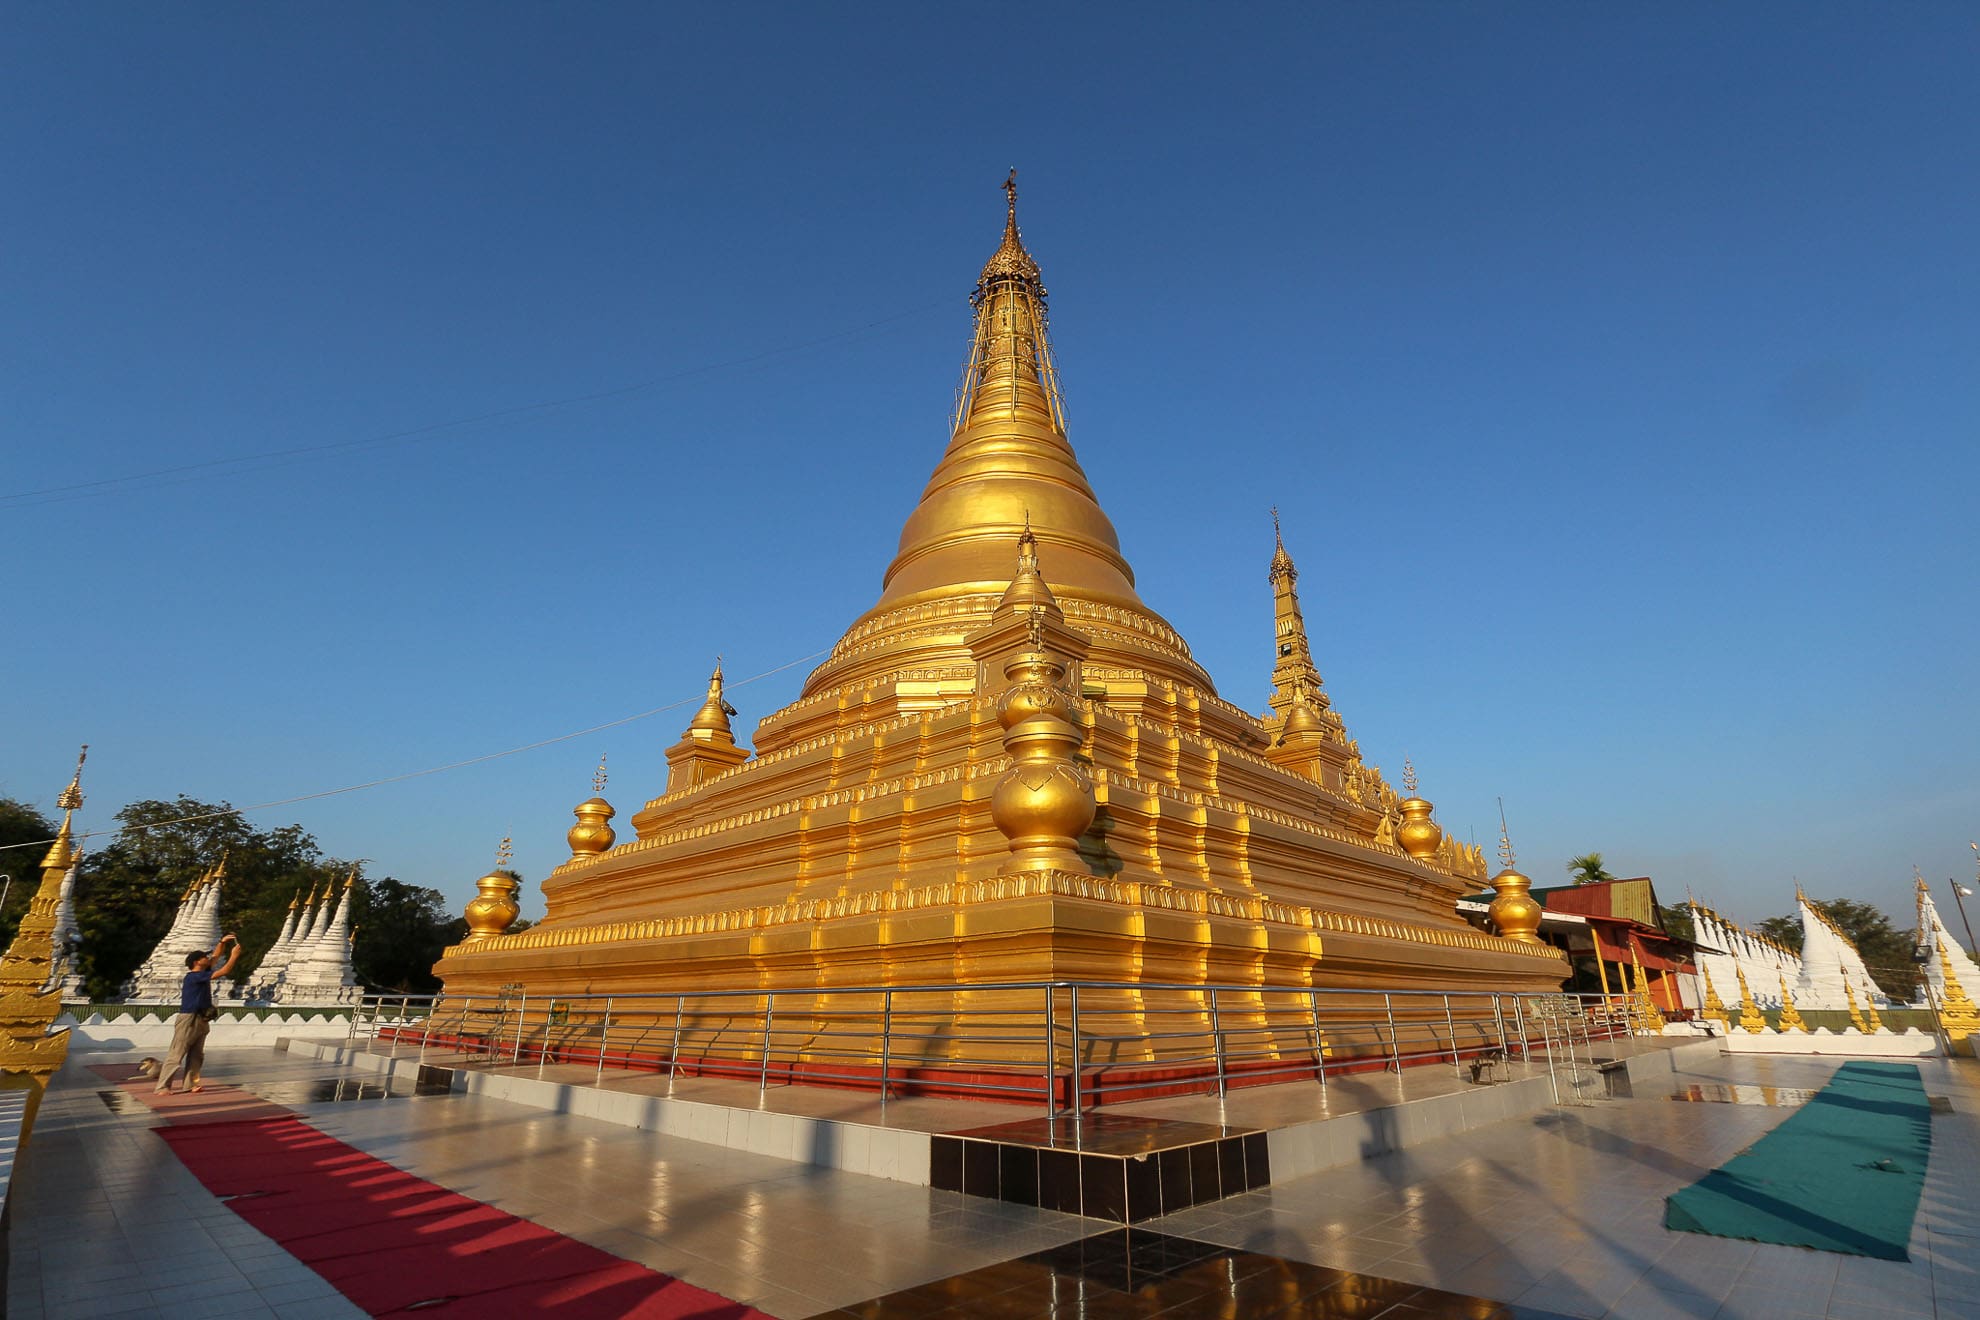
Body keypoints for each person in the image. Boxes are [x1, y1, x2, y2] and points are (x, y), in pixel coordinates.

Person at [156, 932, 241, 1094]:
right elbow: (222, 971)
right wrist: (234, 956)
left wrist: (222, 942)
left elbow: (215, 957)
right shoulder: (193, 977)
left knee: (196, 1055)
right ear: (197, 962)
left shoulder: (202, 973)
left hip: (202, 1017)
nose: (208, 959)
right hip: (189, 1017)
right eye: (204, 957)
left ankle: (190, 1084)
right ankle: (163, 1086)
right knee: (177, 1054)